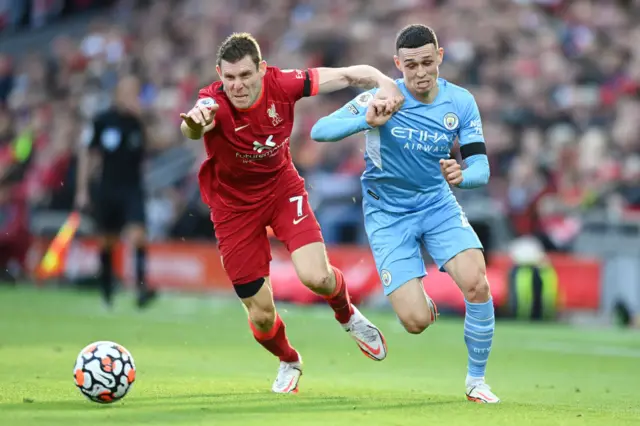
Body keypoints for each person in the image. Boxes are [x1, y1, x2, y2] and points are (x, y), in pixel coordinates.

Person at [179, 32, 404, 394]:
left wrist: (384, 81)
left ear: (262, 70)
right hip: (233, 209)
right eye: (229, 77)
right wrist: (193, 123)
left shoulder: (283, 84)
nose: (237, 85)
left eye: (245, 76)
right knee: (262, 315)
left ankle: (348, 316)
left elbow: (346, 75)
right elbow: (193, 127)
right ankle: (288, 359)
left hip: (282, 190)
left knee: (316, 276)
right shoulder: (212, 102)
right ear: (219, 74)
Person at [310, 24, 499, 403]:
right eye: (410, 65)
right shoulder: (382, 97)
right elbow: (320, 129)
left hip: (436, 203)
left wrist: (464, 176)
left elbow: (481, 165)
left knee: (477, 283)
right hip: (387, 211)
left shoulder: (460, 102)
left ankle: (477, 381)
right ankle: (421, 305)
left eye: (428, 62)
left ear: (440, 57)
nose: (420, 72)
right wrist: (367, 120)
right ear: (398, 64)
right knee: (415, 323)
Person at [75, 76, 156, 309]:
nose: (133, 96)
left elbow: (157, 144)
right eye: (129, 91)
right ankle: (107, 290)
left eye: (136, 92)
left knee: (139, 235)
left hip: (133, 188)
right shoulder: (103, 121)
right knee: (108, 242)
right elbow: (88, 154)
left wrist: (143, 119)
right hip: (108, 188)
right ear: (118, 93)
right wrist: (82, 190)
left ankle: (141, 289)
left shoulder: (139, 121)